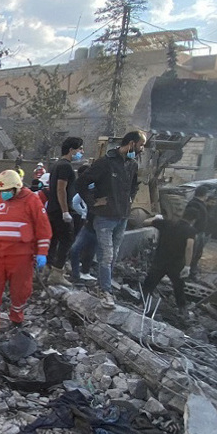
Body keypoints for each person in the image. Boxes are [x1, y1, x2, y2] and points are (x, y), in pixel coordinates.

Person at [0, 170, 51, 336]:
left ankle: (16, 316)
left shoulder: (32, 200)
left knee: (20, 291)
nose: (4, 194)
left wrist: (42, 252)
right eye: (1, 191)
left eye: (7, 191)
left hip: (21, 256)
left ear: (17, 187)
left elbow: (43, 227)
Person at [78, 130, 145, 308]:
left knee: (113, 255)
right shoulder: (105, 163)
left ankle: (104, 285)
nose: (142, 150)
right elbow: (82, 182)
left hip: (122, 217)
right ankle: (105, 291)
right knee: (106, 255)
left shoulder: (132, 165)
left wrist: (129, 200)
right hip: (105, 218)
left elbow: (134, 186)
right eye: (140, 145)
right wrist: (93, 202)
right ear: (131, 143)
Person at [140, 215, 196, 316]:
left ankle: (142, 303)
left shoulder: (166, 223)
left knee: (149, 284)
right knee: (179, 286)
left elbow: (144, 222)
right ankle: (182, 309)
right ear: (193, 220)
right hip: (176, 264)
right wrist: (187, 266)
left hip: (160, 260)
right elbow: (189, 247)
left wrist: (155, 218)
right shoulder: (190, 230)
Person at [46, 137, 83, 286]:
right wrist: (65, 211)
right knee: (67, 240)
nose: (81, 152)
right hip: (60, 210)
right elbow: (61, 188)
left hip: (52, 209)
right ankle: (57, 272)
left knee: (53, 239)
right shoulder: (65, 167)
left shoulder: (56, 165)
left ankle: (47, 269)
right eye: (80, 149)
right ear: (71, 150)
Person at [183, 185, 210, 279]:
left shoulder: (200, 203)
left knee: (197, 253)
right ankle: (189, 272)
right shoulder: (194, 204)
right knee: (192, 253)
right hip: (195, 233)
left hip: (199, 232)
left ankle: (192, 271)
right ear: (204, 194)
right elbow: (190, 218)